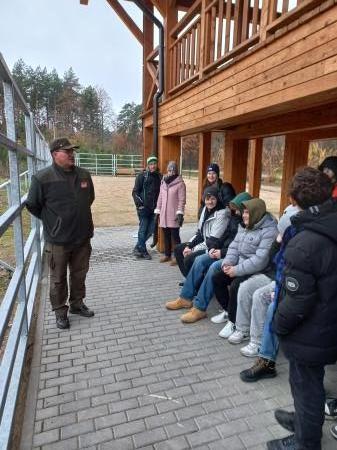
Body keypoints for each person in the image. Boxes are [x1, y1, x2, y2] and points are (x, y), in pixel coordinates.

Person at [267, 167, 337, 450]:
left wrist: (277, 325)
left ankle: (306, 441)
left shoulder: (303, 244)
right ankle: (303, 421)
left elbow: (297, 301)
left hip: (312, 331)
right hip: (328, 324)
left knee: (305, 385)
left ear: (295, 200)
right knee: (311, 382)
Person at [26, 137, 95, 330]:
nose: (72, 154)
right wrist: (54, 223)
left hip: (82, 237)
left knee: (79, 274)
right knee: (57, 279)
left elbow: (89, 199)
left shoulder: (84, 175)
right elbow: (33, 205)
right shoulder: (42, 178)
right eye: (67, 151)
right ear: (55, 154)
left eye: (73, 151)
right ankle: (60, 312)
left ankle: (77, 304)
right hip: (58, 241)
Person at [165, 190, 247, 324]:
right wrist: (215, 247)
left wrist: (221, 252)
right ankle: (185, 298)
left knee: (213, 267)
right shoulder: (236, 219)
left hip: (233, 257)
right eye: (236, 210)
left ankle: (200, 307)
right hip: (225, 252)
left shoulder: (243, 223)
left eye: (239, 210)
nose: (236, 212)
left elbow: (241, 248)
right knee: (199, 260)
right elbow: (225, 237)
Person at [230, 205, 300, 358]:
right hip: (273, 274)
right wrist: (278, 240)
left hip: (285, 279)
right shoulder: (282, 237)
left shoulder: (300, 241)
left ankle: (257, 341)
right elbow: (273, 257)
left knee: (260, 295)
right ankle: (242, 329)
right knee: (245, 287)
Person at [213, 198, 278, 340]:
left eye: (247, 213)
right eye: (244, 212)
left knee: (237, 285)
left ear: (256, 213)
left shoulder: (269, 230)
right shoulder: (244, 226)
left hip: (259, 270)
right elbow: (233, 247)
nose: (244, 215)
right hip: (239, 266)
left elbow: (260, 260)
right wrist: (228, 263)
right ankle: (229, 311)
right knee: (217, 277)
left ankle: (234, 322)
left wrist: (236, 270)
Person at [174, 185, 227, 277]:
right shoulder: (205, 210)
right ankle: (189, 279)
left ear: (217, 199)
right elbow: (199, 233)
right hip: (204, 243)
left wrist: (193, 250)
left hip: (213, 247)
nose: (210, 202)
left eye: (213, 199)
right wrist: (188, 246)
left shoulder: (222, 214)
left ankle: (194, 283)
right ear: (204, 199)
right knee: (178, 249)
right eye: (207, 199)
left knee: (189, 258)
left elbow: (212, 240)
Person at [154, 161, 186, 264]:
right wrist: (157, 210)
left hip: (174, 215)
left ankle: (178, 257)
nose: (171, 172)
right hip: (164, 214)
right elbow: (160, 197)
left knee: (175, 237)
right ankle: (167, 255)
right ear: (167, 170)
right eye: (169, 170)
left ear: (176, 171)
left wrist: (180, 212)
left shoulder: (180, 184)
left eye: (173, 170)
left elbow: (182, 200)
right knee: (166, 236)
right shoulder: (163, 182)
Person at [132, 155, 161, 260]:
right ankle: (143, 251)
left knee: (150, 230)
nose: (153, 166)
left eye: (154, 164)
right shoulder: (142, 176)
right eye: (151, 164)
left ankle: (138, 247)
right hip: (143, 209)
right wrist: (140, 205)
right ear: (148, 165)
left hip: (154, 210)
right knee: (143, 230)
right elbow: (135, 192)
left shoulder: (159, 177)